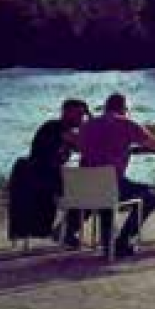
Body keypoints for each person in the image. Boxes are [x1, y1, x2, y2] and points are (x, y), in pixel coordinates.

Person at [75, 92, 155, 257]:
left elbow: (79, 147)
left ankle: (102, 240)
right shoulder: (126, 124)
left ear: (106, 107)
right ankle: (123, 240)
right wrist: (146, 132)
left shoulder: (87, 125)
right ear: (124, 109)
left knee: (109, 183)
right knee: (153, 193)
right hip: (109, 186)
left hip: (83, 186)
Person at [26, 98, 91, 244]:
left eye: (83, 115)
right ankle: (65, 231)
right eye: (78, 114)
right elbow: (84, 145)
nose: (81, 118)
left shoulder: (63, 129)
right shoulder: (55, 128)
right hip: (42, 179)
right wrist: (91, 125)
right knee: (93, 193)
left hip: (46, 177)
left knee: (91, 191)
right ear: (66, 113)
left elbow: (83, 147)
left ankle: (66, 230)